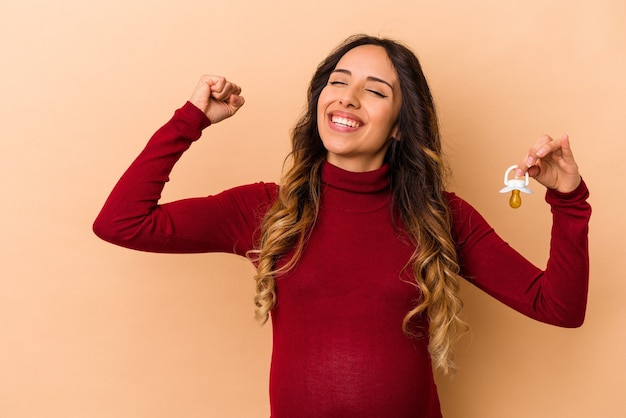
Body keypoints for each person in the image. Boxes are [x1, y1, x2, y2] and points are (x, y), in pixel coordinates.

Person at [93, 34, 591, 418]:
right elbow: (121, 222)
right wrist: (190, 119)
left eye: (374, 91)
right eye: (338, 81)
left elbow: (559, 307)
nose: (348, 98)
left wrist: (568, 200)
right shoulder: (268, 210)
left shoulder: (439, 216)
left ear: (399, 124)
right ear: (320, 101)